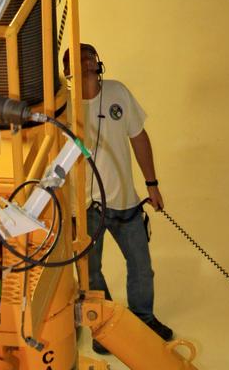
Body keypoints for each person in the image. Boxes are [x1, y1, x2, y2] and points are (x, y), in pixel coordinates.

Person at [64, 42, 173, 354]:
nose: (87, 62)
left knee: (141, 265)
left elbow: (139, 138)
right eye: (80, 59)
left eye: (90, 57)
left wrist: (152, 184)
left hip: (125, 202)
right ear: (68, 72)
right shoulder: (64, 107)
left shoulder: (118, 93)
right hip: (85, 208)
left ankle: (143, 318)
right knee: (91, 272)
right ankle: (105, 328)